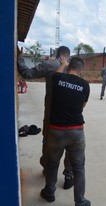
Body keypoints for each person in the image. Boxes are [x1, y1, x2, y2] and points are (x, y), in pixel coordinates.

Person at [17, 46, 73, 189]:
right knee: (71, 144)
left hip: (52, 112)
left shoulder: (50, 65)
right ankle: (69, 175)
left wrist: (20, 57)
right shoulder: (74, 67)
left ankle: (48, 169)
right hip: (72, 114)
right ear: (67, 56)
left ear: (56, 54)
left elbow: (27, 73)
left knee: (49, 141)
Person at [40, 57, 91, 206]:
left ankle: (49, 192)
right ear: (81, 70)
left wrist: (62, 64)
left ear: (69, 67)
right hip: (76, 131)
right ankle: (80, 201)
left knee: (52, 163)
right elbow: (82, 106)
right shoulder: (85, 85)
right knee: (79, 168)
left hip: (56, 131)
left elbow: (57, 73)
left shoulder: (58, 78)